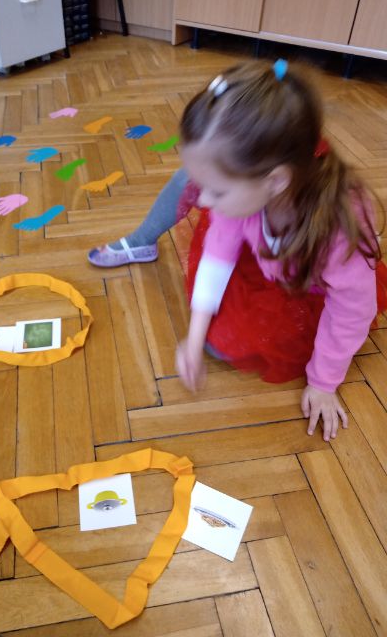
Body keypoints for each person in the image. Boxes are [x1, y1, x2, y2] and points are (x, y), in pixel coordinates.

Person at [88, 59, 387, 442]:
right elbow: (217, 257)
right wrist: (194, 336)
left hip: (310, 284)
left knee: (237, 343)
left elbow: (350, 312)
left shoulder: (338, 232)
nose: (202, 202)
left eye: (216, 190)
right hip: (270, 247)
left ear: (275, 181)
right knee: (215, 338)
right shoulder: (249, 192)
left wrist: (323, 382)